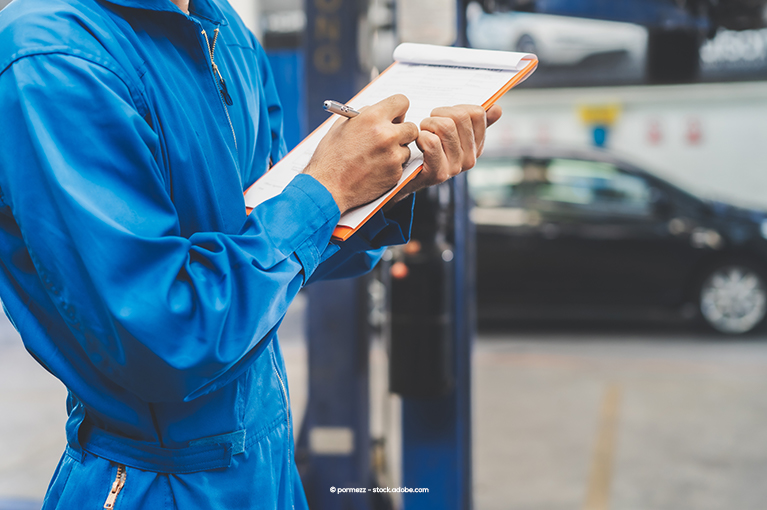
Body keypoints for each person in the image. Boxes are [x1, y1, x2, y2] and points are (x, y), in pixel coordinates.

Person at [0, 0, 501, 507]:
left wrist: (388, 177)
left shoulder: (223, 30)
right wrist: (326, 191)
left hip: (266, 465)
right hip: (155, 483)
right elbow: (168, 339)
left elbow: (273, 252)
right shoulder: (55, 55)